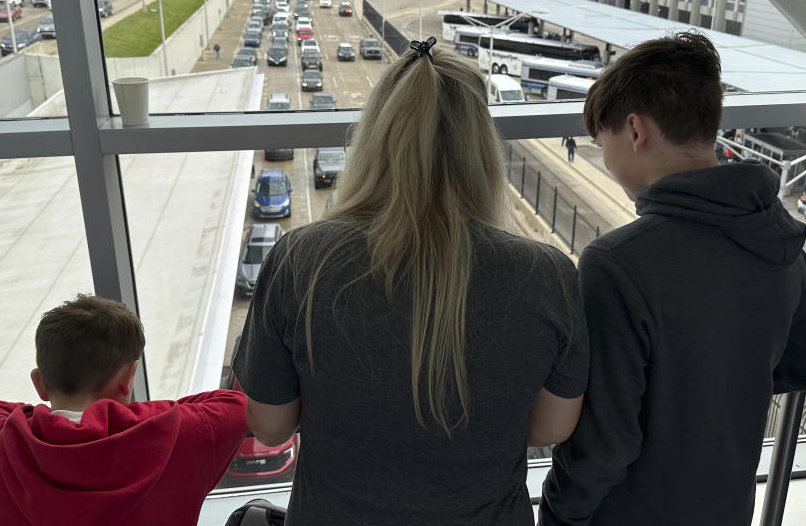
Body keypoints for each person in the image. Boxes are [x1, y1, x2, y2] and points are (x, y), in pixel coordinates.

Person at [236, 37, 588, 526]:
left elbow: (271, 428)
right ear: (483, 150)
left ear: (373, 139)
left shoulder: (299, 260)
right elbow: (550, 428)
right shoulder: (547, 275)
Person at [539, 32, 806, 526]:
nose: (607, 161)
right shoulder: (778, 237)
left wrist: (557, 516)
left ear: (635, 130)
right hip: (729, 507)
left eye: (603, 142)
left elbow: (605, 445)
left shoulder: (617, 263)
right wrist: (721, 383)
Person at [0, 294, 248, 526]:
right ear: (128, 380)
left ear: (40, 383)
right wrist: (142, 417)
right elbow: (235, 405)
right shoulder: (177, 434)